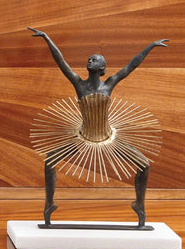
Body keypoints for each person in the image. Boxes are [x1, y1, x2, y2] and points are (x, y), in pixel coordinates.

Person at [29, 28, 167, 226]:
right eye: (89, 59)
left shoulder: (109, 84)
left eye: (94, 59)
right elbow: (61, 62)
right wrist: (47, 38)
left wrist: (151, 46)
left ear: (103, 67)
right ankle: (49, 205)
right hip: (82, 138)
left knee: (144, 165)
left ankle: (139, 205)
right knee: (50, 161)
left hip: (109, 138)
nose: (90, 60)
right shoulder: (79, 84)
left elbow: (131, 66)